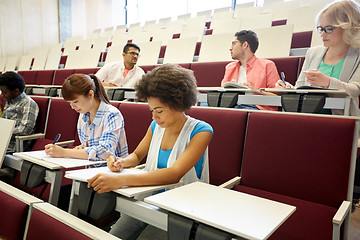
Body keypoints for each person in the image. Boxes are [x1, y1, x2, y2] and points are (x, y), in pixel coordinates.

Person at [87, 64, 213, 239]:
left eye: (159, 111)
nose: (154, 117)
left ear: (178, 104)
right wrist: (121, 162)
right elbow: (137, 156)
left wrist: (120, 179)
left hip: (181, 210)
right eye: (151, 110)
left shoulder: (201, 131)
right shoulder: (156, 125)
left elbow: (174, 174)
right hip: (150, 200)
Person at [275, 0, 360, 116]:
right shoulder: (313, 53)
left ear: (347, 27)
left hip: (341, 121)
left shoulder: (358, 55)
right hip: (307, 117)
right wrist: (288, 88)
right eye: (321, 28)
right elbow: (300, 87)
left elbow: (354, 90)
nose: (322, 34)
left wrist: (328, 82)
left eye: (329, 29)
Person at [44, 74, 128, 163]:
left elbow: (106, 152)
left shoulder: (112, 114)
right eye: (69, 103)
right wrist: (82, 148)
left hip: (114, 171)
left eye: (75, 101)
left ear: (90, 94)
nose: (72, 107)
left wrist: (64, 152)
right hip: (91, 169)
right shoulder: (83, 115)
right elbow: (91, 147)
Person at [221, 30, 280, 111]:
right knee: (204, 106)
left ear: (245, 45)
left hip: (256, 107)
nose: (230, 48)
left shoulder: (267, 65)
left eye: (234, 43)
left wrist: (255, 90)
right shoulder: (230, 67)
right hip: (231, 105)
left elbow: (276, 97)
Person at [0, 71, 39, 150]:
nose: (2, 95)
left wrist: (4, 131)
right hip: (3, 142)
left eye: (4, 92)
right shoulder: (10, 100)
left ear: (16, 91)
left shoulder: (28, 103)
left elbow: (25, 130)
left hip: (14, 146)